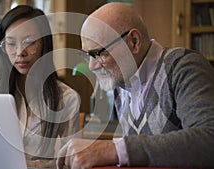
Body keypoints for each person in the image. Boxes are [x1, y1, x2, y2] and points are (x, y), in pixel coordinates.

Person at [57, 2, 214, 169]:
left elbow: (209, 139)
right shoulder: (121, 83)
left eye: (98, 54)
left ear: (133, 41)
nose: (91, 66)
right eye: (87, 55)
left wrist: (114, 149)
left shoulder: (184, 66)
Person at [0, 5, 81, 168]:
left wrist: (34, 165)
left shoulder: (67, 98)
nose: (20, 52)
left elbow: (72, 162)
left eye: (29, 42)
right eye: (11, 44)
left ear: (44, 45)